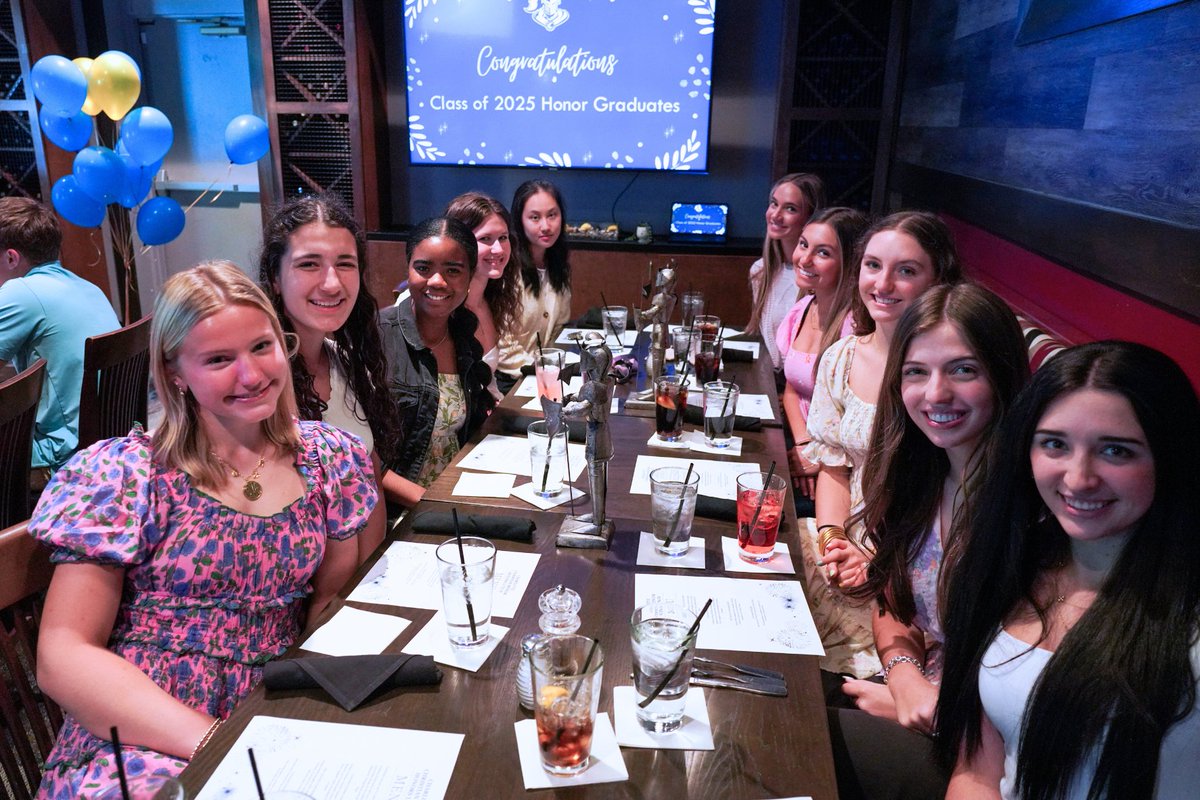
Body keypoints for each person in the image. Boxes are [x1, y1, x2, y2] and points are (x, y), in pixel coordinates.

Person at [30, 261, 375, 797]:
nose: (252, 375)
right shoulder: (127, 475)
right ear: (174, 372)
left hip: (275, 701)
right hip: (144, 717)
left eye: (262, 347)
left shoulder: (328, 459)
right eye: (218, 359)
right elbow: (63, 653)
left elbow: (328, 605)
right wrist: (217, 740)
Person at [935, 341, 1200, 800]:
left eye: (1116, 451)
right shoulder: (1012, 563)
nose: (1078, 478)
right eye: (1055, 444)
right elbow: (978, 767)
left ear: (1171, 458)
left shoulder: (1184, 623)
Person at [826, 283, 1030, 800]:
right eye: (917, 372)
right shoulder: (920, 474)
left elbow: (1019, 689)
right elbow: (892, 601)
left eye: (963, 370)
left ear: (1003, 375)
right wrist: (905, 679)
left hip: (990, 755)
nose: (935, 394)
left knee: (796, 740)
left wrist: (919, 704)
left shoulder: (1033, 508)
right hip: (927, 702)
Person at [802, 210, 963, 678]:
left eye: (906, 271)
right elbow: (835, 468)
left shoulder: (946, 383)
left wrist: (877, 561)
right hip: (845, 538)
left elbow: (947, 500)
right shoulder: (842, 357)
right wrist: (833, 540)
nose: (883, 283)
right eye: (873, 266)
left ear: (939, 281)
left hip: (913, 567)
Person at [259, 194, 398, 561]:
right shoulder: (259, 387)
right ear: (275, 277)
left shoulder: (347, 362)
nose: (332, 284)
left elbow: (371, 479)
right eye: (309, 264)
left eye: (345, 264)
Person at [379, 217, 496, 508]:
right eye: (423, 268)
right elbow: (360, 460)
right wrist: (434, 504)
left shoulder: (463, 335)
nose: (437, 281)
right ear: (408, 269)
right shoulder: (377, 337)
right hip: (400, 514)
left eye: (452, 270)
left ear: (470, 277)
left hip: (456, 495)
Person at [0, 197, 120, 478]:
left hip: (62, 452)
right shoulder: (87, 286)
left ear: (11, 258)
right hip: (108, 438)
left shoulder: (20, 291)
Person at [777, 207, 867, 504]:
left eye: (823, 253)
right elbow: (791, 390)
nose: (804, 259)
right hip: (802, 442)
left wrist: (818, 458)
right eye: (804, 245)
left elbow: (859, 422)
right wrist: (804, 445)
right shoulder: (801, 310)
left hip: (842, 465)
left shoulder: (857, 328)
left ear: (850, 263)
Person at [495, 179, 571, 393]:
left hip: (542, 377)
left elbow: (559, 328)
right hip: (509, 381)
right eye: (535, 217)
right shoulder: (506, 267)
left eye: (552, 215)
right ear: (519, 221)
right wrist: (542, 373)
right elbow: (502, 344)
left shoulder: (557, 264)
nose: (546, 226)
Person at [745, 172, 826, 371]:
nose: (776, 215)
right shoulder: (760, 270)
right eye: (774, 204)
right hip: (768, 380)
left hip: (801, 388)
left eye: (790, 208)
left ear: (810, 218)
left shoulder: (818, 277)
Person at [444, 191, 519, 401]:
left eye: (503, 238)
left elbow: (487, 383)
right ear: (458, 242)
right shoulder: (440, 306)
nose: (498, 249)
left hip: (489, 416)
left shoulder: (491, 298)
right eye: (485, 239)